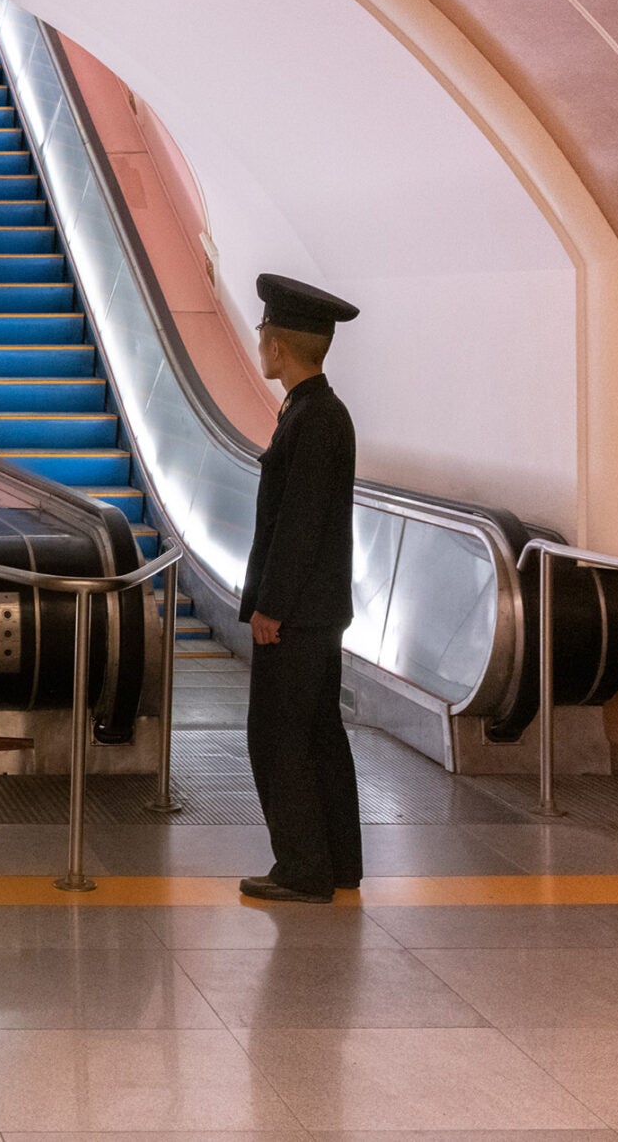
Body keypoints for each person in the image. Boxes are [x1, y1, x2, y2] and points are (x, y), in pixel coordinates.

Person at [237, 273, 364, 905]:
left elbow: (298, 525)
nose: (260, 342)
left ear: (278, 344)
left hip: (298, 614)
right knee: (318, 733)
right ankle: (338, 862)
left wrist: (270, 606)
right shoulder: (316, 411)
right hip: (317, 611)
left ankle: (302, 867)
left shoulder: (314, 418)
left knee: (278, 736)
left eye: (264, 333)